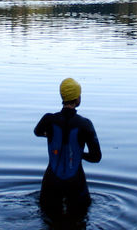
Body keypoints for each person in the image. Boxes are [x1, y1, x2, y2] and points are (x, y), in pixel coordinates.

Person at [34, 78, 102, 217]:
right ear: (77, 98)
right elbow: (96, 157)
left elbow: (37, 132)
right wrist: (79, 154)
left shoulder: (48, 119)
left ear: (62, 96)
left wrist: (51, 137)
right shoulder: (85, 124)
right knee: (79, 220)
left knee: (48, 220)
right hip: (76, 181)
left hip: (51, 181)